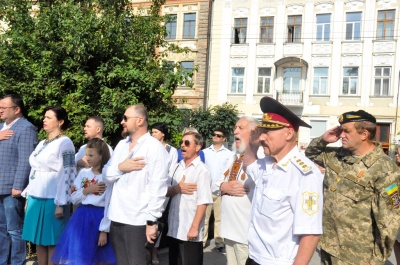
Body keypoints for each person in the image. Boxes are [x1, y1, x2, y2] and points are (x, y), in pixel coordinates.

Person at [305, 110, 400, 264]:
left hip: (357, 256)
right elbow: (311, 153)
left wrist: (377, 259)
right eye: (341, 130)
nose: (342, 135)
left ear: (364, 134)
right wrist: (323, 139)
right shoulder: (337, 156)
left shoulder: (385, 168)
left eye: (347, 131)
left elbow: (389, 221)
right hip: (328, 247)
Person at [244, 96, 323, 265]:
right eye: (261, 131)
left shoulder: (305, 174)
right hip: (253, 257)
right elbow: (249, 164)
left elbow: (310, 233)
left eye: (268, 132)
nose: (262, 138)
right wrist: (252, 144)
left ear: (288, 134)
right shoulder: (266, 163)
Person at [104, 104, 169, 265]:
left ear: (140, 120)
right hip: (116, 216)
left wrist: (151, 221)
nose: (122, 122)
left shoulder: (153, 147)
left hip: (138, 220)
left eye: (126, 118)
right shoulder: (121, 145)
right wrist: (120, 167)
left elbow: (158, 187)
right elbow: (106, 174)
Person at [22, 106, 76, 265]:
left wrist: (61, 203)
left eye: (49, 117)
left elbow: (67, 173)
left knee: (52, 239)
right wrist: (28, 196)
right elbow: (34, 171)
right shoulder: (43, 142)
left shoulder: (65, 143)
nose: (44, 120)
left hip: (53, 198)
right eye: (44, 117)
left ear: (60, 121)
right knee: (38, 238)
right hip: (36, 196)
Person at [51, 138, 115, 265]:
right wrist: (87, 190)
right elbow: (73, 198)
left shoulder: (107, 177)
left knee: (99, 256)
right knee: (80, 254)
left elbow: (109, 203)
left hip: (100, 217)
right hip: (82, 217)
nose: (87, 158)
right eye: (86, 155)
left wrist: (104, 230)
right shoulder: (83, 174)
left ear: (102, 156)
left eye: (91, 155)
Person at [0, 94, 38, 265]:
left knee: (14, 230)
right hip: (0, 186)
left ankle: (17, 262)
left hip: (11, 189)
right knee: (1, 230)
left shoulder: (26, 128)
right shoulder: (1, 128)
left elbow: (25, 160)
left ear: (16, 110)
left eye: (4, 107)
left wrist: (18, 186)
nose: (0, 110)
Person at [166, 131, 213, 265]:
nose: (182, 145)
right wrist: (177, 189)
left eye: (187, 143)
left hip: (189, 231)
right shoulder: (176, 167)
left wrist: (194, 227)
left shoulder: (202, 170)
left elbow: (203, 202)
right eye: (182, 142)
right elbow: (166, 192)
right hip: (174, 229)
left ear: (198, 147)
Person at [217, 116, 258, 265]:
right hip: (229, 229)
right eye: (235, 127)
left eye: (241, 128)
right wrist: (224, 186)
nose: (235, 131)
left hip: (245, 233)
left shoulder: (260, 158)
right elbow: (218, 182)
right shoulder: (234, 156)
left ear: (253, 132)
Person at [149, 122, 178, 265]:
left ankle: (154, 252)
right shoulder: (148, 147)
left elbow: (171, 171)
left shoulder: (171, 151)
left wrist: (168, 189)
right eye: (152, 132)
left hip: (163, 188)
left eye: (155, 132)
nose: (152, 134)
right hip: (148, 188)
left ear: (163, 134)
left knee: (157, 221)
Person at [202, 128, 233, 252]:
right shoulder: (204, 152)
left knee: (220, 219)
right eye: (214, 134)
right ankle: (202, 242)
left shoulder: (229, 154)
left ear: (224, 139)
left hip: (220, 191)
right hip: (206, 190)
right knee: (204, 218)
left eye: (218, 135)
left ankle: (219, 243)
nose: (215, 137)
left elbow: (229, 172)